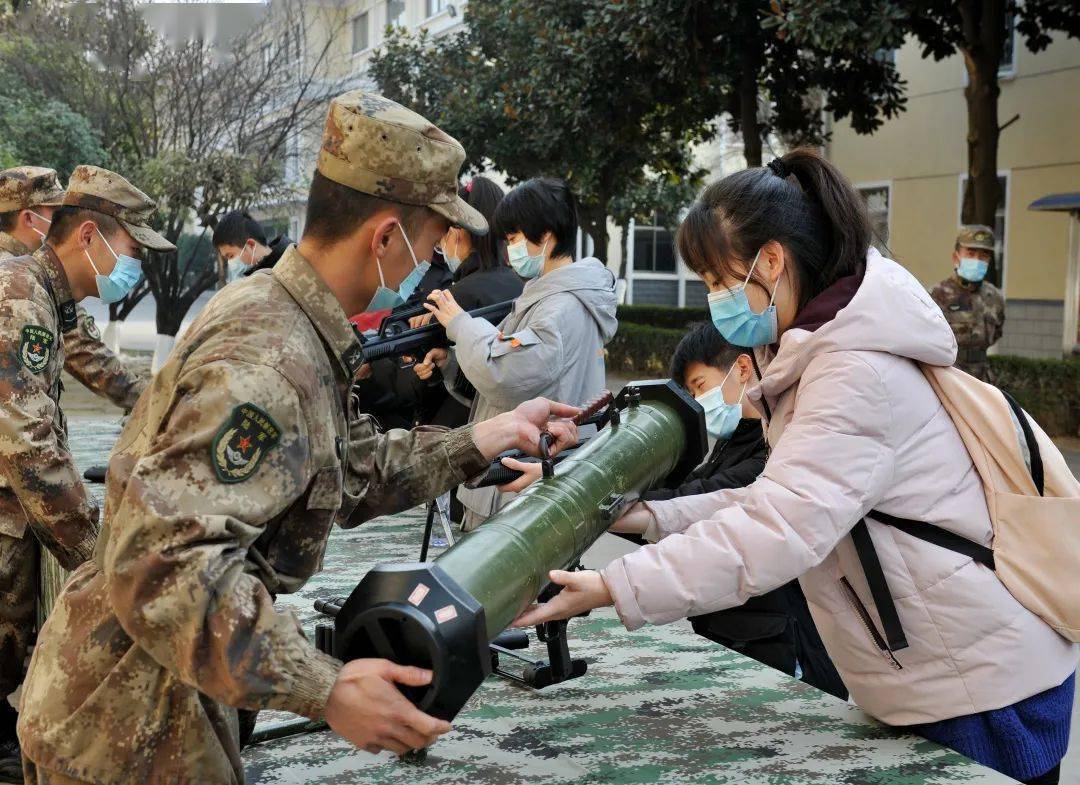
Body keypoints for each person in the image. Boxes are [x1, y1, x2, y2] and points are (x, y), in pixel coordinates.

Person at [17, 92, 580, 785]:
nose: (431, 263)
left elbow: (346, 468)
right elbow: (162, 566)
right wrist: (327, 686)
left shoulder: (291, 324)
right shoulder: (270, 359)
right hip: (127, 725)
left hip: (161, 694)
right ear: (383, 238)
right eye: (431, 242)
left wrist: (483, 438)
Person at [515, 150, 1077, 785]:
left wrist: (617, 587)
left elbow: (778, 528)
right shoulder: (823, 355)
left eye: (715, 280)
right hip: (954, 671)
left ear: (772, 261)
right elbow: (780, 501)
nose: (712, 300)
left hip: (975, 687)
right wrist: (651, 517)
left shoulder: (853, 372)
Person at [501, 322, 845, 699]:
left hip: (782, 648)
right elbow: (672, 497)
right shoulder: (739, 440)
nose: (700, 401)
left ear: (743, 369)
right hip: (740, 635)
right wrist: (567, 471)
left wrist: (573, 486)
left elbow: (693, 501)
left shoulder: (773, 452)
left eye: (700, 385)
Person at [0, 164, 175, 780]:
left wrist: (171, 407)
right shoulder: (20, 295)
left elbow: (98, 364)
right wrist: (93, 557)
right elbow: (27, 441)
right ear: (88, 238)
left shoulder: (48, 292)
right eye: (129, 249)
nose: (134, 265)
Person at [422, 177, 618, 531]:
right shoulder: (551, 297)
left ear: (545, 237)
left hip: (518, 490)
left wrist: (460, 324)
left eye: (513, 239)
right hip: (527, 480)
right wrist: (451, 364)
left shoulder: (559, 307)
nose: (510, 250)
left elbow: (507, 375)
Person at [0, 166, 147, 411]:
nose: (65, 218)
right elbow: (84, 352)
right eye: (57, 211)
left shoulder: (34, 274)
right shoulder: (20, 290)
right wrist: (154, 402)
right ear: (28, 218)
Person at [412, 176, 524, 427]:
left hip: (462, 427)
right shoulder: (520, 285)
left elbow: (416, 389)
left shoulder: (454, 299)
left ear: (459, 230)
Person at [929, 225, 1005, 382]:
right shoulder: (937, 294)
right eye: (970, 253)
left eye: (983, 256)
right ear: (956, 257)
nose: (977, 260)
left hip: (983, 379)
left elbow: (997, 332)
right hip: (949, 377)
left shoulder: (994, 297)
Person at [212, 209, 293, 283]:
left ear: (251, 245)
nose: (230, 263)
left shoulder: (292, 267)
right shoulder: (255, 278)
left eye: (231, 256)